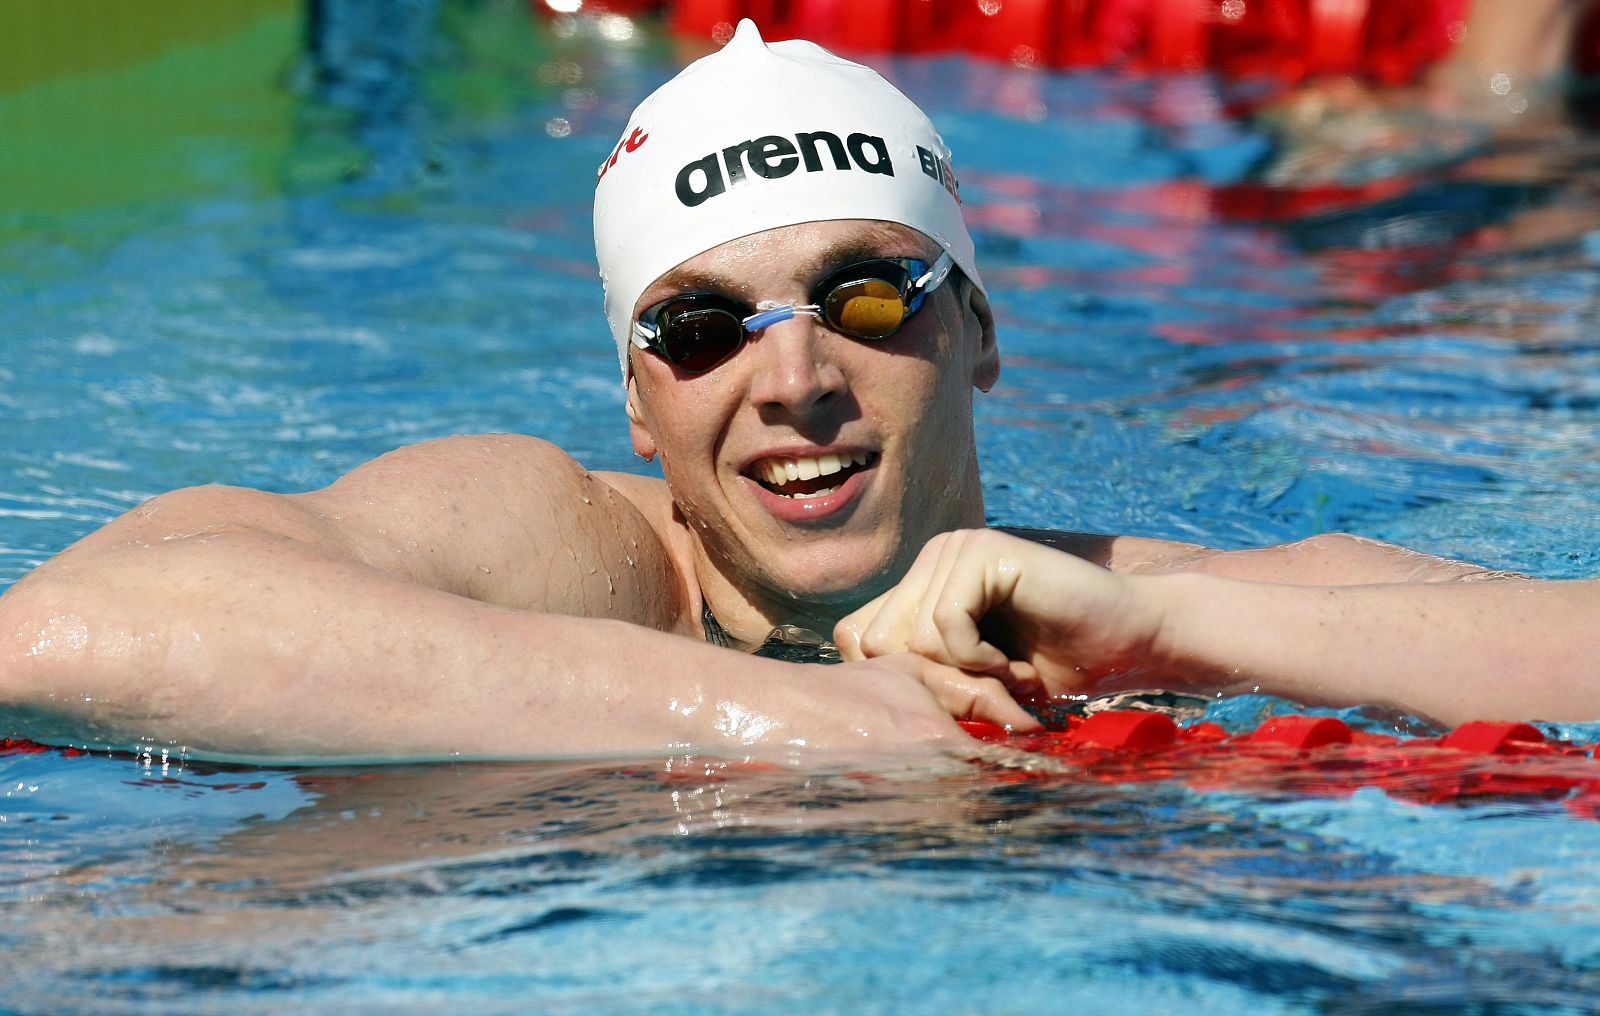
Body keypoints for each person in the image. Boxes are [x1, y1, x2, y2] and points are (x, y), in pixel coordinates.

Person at [0, 21, 1593, 764]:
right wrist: (796, 721)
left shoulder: (1127, 608)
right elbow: (64, 635)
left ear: (978, 330)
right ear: (637, 402)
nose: (797, 379)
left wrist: (1176, 633)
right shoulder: (571, 558)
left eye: (869, 293)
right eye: (699, 327)